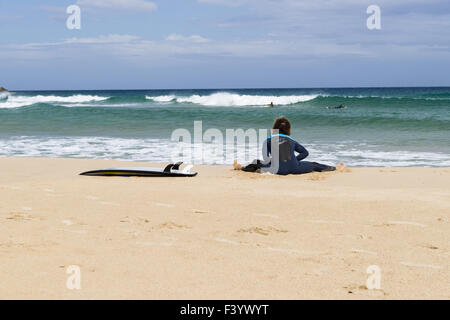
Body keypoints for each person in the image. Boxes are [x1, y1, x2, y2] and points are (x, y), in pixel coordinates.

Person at [234, 117, 345, 175]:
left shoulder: (267, 140)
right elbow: (305, 153)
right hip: (294, 168)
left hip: (276, 169)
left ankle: (241, 168)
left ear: (274, 128)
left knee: (256, 163)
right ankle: (336, 168)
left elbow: (266, 158)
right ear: (288, 130)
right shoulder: (292, 140)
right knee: (314, 164)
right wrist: (293, 160)